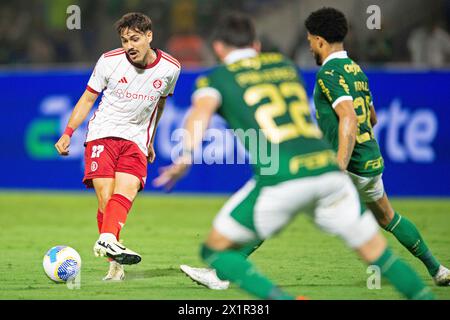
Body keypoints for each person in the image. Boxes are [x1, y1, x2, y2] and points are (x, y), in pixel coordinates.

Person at [153, 13, 434, 300]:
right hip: (327, 171)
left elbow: (199, 114)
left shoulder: (216, 79)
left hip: (283, 175)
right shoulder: (285, 66)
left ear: (218, 49)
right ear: (257, 44)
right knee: (378, 254)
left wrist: (185, 156)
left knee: (213, 249)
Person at [305, 7, 449, 286]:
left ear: (320, 41)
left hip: (350, 166)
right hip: (371, 162)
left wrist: (339, 166)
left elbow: (349, 116)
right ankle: (438, 269)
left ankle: (223, 270)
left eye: (310, 40)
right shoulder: (356, 70)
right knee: (389, 218)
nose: (310, 46)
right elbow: (372, 117)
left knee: (282, 196)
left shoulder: (328, 73)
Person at [54, 12, 181, 280]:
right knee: (106, 198)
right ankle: (114, 259)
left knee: (129, 189)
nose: (129, 46)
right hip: (103, 134)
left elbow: (160, 104)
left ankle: (107, 241)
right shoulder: (109, 61)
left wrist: (150, 139)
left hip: (136, 138)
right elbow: (88, 99)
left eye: (135, 39)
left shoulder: (171, 68)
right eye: (124, 40)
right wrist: (68, 132)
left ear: (149, 36)